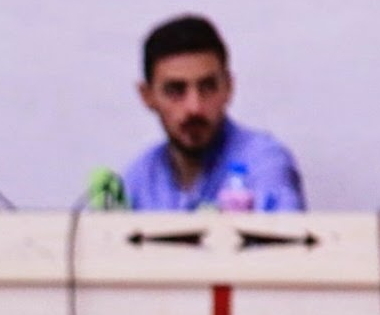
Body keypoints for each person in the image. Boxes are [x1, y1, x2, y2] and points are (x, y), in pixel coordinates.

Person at [119, 14, 305, 212]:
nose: (194, 107)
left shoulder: (263, 163)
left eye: (207, 87)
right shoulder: (140, 178)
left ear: (229, 87)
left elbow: (282, 229)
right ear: (147, 96)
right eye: (176, 91)